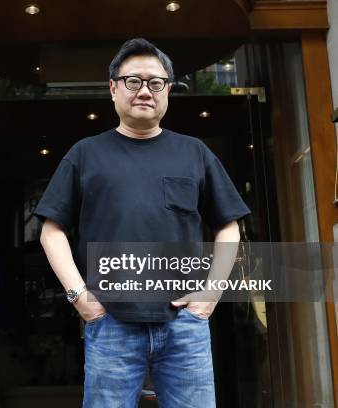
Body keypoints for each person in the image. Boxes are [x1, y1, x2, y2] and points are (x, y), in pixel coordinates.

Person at [34, 38, 250, 407]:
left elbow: (228, 226)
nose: (145, 91)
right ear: (113, 88)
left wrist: (211, 294)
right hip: (110, 322)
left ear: (168, 90)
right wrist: (80, 298)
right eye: (133, 81)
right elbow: (51, 230)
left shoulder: (194, 152)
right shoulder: (85, 154)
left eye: (156, 82)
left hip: (185, 324)